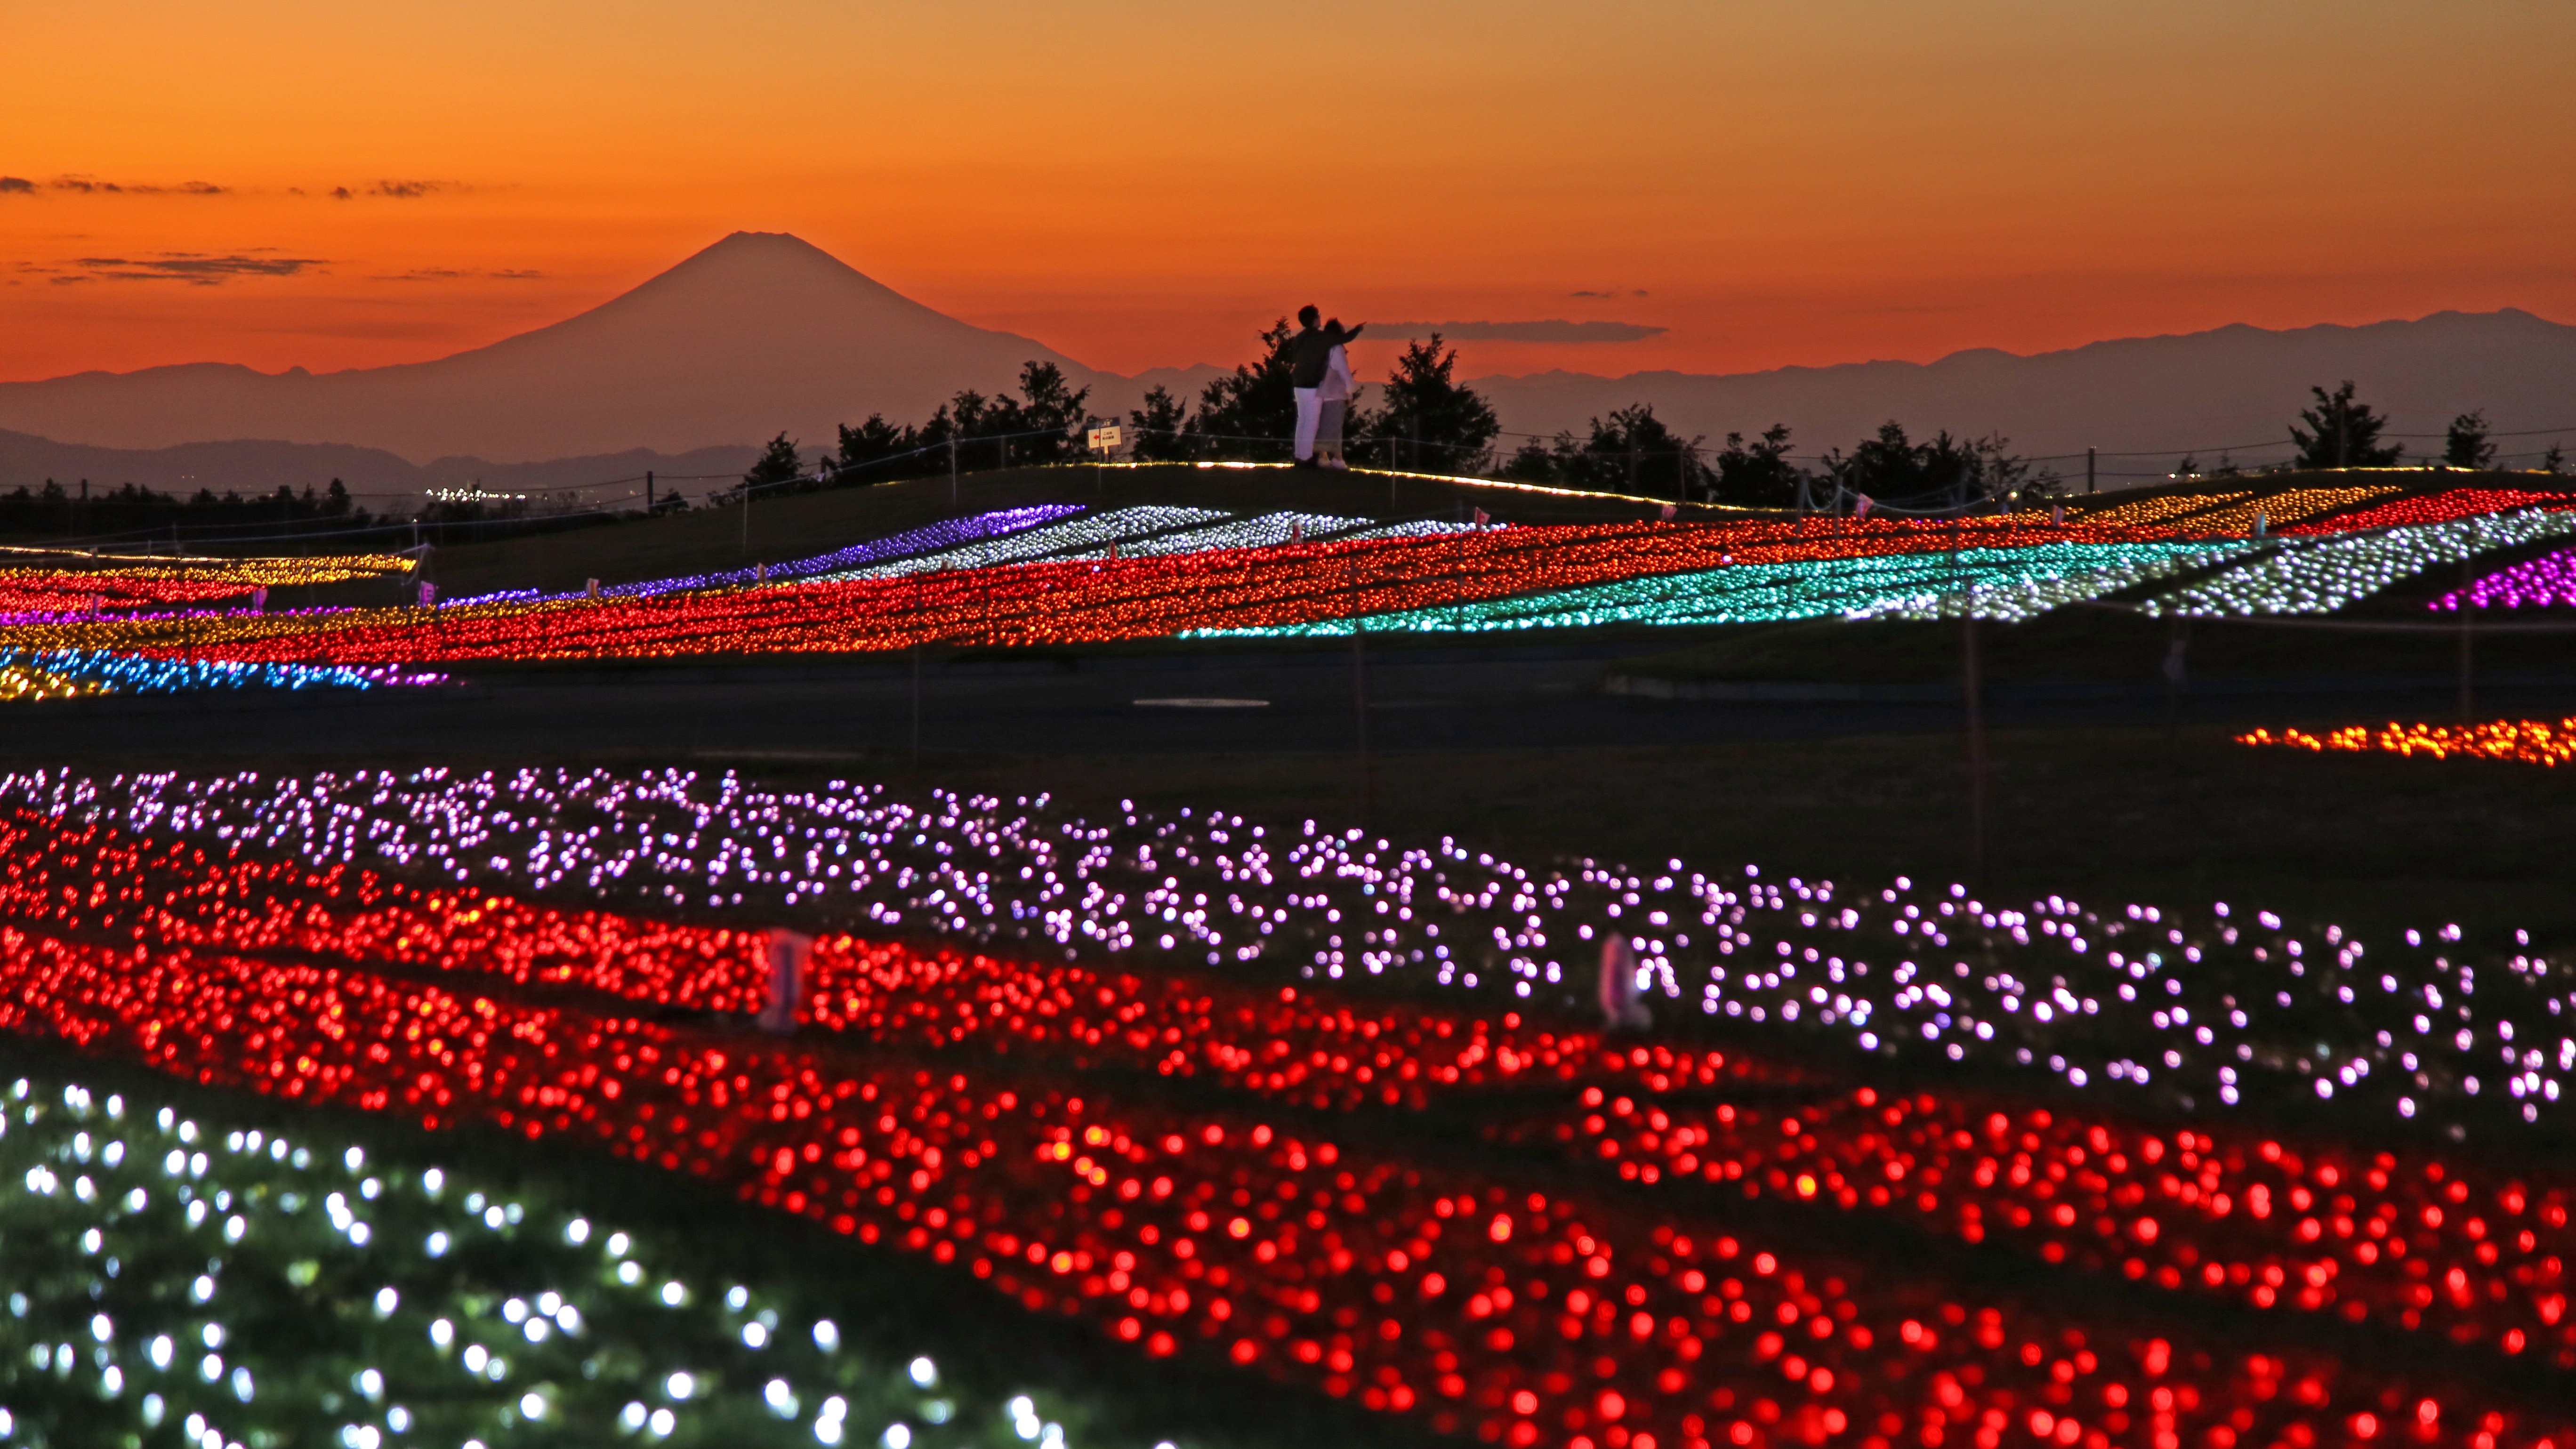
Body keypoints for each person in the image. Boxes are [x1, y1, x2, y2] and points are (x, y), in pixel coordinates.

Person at [1315, 319, 1363, 469]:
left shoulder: (1323, 348)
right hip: (1334, 394)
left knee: (1328, 426)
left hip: (1322, 392)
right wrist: (1350, 393)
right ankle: (1331, 458)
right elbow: (1345, 373)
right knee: (1334, 427)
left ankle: (1331, 457)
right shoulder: (1336, 350)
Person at [1287, 305, 1330, 466]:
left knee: (1302, 420)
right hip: (1312, 386)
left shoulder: (1299, 338)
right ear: (1314, 319)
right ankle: (1306, 458)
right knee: (1312, 421)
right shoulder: (1317, 338)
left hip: (1298, 384)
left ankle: (1300, 454)